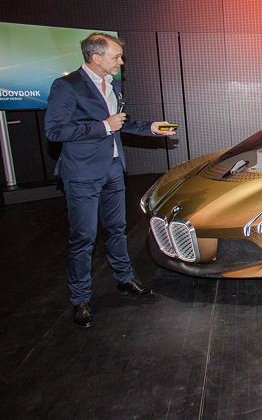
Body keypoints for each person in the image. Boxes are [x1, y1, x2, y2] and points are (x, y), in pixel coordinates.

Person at [44, 33, 177, 327]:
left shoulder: (112, 85)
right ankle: (80, 298)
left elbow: (122, 122)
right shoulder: (67, 87)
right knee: (84, 238)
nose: (121, 61)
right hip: (82, 175)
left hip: (113, 170)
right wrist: (102, 126)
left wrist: (151, 128)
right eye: (116, 57)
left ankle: (124, 279)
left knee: (117, 229)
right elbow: (55, 131)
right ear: (96, 58)